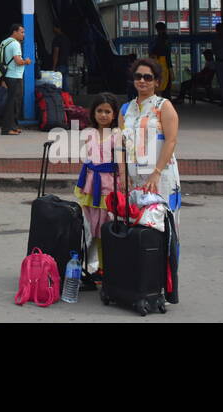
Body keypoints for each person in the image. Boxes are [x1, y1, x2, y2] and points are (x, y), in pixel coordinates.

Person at [121, 57, 181, 299]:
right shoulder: (126, 109)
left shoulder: (163, 106)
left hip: (161, 175)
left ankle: (165, 286)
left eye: (148, 77)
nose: (142, 81)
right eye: (138, 77)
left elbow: (171, 140)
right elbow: (121, 145)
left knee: (163, 228)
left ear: (157, 81)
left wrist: (156, 172)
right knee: (137, 227)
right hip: (135, 178)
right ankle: (140, 282)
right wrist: (123, 174)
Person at [75, 93, 121, 275]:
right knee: (91, 227)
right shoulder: (90, 133)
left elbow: (122, 162)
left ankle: (105, 267)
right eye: (99, 111)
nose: (103, 115)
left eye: (107, 111)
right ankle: (90, 265)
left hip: (108, 186)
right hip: (90, 184)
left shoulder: (117, 135)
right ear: (93, 113)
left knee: (105, 228)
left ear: (114, 114)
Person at [0, 23, 31, 135]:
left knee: (13, 102)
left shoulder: (4, 42)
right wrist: (26, 62)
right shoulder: (15, 44)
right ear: (15, 32)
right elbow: (18, 61)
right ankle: (7, 129)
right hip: (15, 76)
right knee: (13, 103)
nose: (24, 34)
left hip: (8, 75)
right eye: (22, 32)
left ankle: (13, 126)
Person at [149, 21, 172, 96]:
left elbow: (154, 50)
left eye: (158, 29)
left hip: (161, 62)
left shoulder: (160, 39)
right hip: (162, 62)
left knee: (160, 84)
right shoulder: (164, 39)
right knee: (162, 84)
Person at [51, 25, 72, 92]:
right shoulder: (66, 38)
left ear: (57, 28)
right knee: (65, 84)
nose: (53, 30)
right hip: (65, 64)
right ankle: (68, 99)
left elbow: (56, 54)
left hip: (59, 65)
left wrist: (53, 67)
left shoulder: (57, 39)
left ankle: (60, 100)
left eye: (54, 28)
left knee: (57, 86)